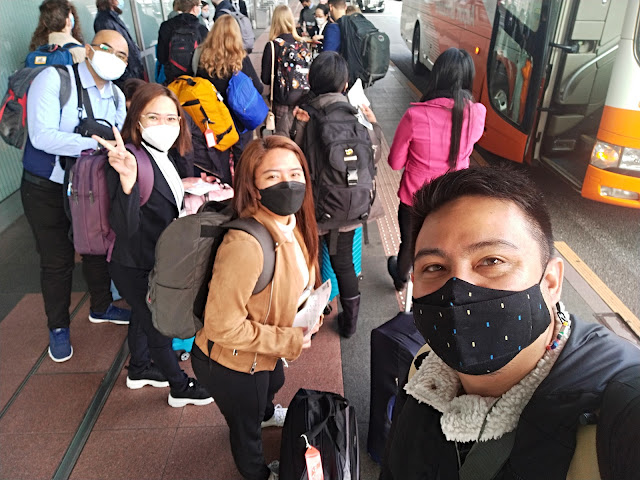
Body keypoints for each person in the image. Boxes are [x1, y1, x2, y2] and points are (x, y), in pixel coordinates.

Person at [380, 167, 640, 479]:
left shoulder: (619, 409)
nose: (457, 291)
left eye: (492, 261)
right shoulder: (423, 368)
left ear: (551, 281)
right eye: (435, 267)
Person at [191, 136, 321, 480]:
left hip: (261, 352)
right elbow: (221, 326)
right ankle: (257, 473)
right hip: (230, 363)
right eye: (273, 176)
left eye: (295, 173)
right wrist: (289, 340)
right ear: (253, 186)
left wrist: (312, 312)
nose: (288, 184)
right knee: (245, 429)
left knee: (273, 380)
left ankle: (265, 414)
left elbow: (291, 286)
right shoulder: (246, 245)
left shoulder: (292, 224)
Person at [96, 83, 214, 407]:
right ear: (137, 120)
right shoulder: (128, 160)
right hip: (133, 262)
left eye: (171, 118)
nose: (164, 125)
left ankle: (139, 368)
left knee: (142, 312)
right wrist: (127, 182)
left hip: (151, 258)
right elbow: (125, 227)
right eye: (153, 117)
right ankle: (180, 387)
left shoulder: (160, 154)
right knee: (157, 324)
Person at [21, 29, 130, 363]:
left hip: (89, 187)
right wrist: (95, 144)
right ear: (88, 49)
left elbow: (119, 139)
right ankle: (58, 327)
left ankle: (101, 306)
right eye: (107, 49)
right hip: (47, 186)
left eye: (123, 55)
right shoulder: (54, 80)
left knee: (95, 246)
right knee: (56, 259)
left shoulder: (116, 96)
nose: (115, 58)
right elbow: (41, 136)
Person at [291, 51, 381, 338]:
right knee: (344, 264)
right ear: (344, 84)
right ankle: (349, 325)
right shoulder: (357, 115)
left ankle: (312, 323)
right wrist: (374, 124)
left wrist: (297, 125)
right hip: (351, 205)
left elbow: (293, 158)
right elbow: (374, 156)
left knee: (311, 261)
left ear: (312, 80)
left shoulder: (307, 114)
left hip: (315, 207)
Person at [387, 48, 486, 291]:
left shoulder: (415, 115)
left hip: (414, 198)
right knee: (445, 246)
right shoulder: (477, 113)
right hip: (453, 197)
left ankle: (401, 279)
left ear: (437, 75)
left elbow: (395, 163)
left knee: (409, 244)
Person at [196, 15, 264, 176]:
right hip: (239, 122)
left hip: (216, 121)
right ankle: (241, 184)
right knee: (243, 160)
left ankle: (225, 185)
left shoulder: (203, 60)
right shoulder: (241, 59)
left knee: (221, 159)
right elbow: (259, 88)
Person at [260, 5, 308, 137]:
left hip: (281, 100)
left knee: (282, 139)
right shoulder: (302, 44)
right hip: (303, 100)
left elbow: (265, 79)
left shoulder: (272, 46)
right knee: (300, 136)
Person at [94, 0, 145, 88]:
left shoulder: (113, 18)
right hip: (126, 79)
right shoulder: (104, 21)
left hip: (132, 73)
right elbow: (110, 54)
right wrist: (127, 78)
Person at [157, 0, 209, 84]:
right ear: (194, 8)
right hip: (196, 82)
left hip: (173, 81)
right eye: (199, 6)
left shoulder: (166, 27)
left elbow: (161, 57)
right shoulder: (201, 29)